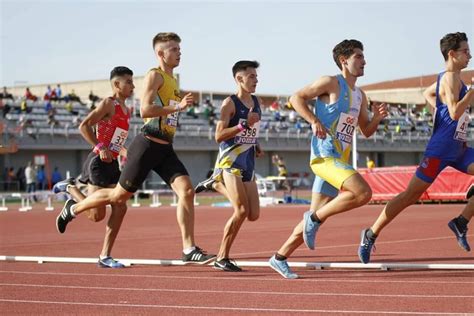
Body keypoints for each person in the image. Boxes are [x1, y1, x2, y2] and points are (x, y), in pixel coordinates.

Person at [55, 32, 215, 265]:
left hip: (165, 148)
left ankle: (189, 248)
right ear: (160, 53)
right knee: (119, 198)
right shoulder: (154, 75)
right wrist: (178, 107)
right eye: (174, 49)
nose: (179, 52)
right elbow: (146, 110)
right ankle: (74, 208)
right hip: (148, 144)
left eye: (179, 49)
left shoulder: (173, 81)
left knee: (187, 191)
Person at [268, 39, 388, 279]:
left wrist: (377, 118)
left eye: (363, 56)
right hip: (324, 157)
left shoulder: (360, 96)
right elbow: (295, 98)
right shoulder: (331, 83)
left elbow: (365, 130)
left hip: (339, 162)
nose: (364, 61)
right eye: (359, 56)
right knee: (363, 193)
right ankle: (313, 219)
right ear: (344, 61)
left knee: (313, 221)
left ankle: (279, 257)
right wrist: (314, 121)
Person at [358, 32, 474, 263]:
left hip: (459, 148)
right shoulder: (450, 77)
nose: (470, 56)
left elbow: (428, 93)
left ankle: (460, 222)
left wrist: (437, 109)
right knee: (409, 196)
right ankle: (370, 234)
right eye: (466, 51)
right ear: (452, 54)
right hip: (440, 150)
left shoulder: (453, 79)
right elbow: (454, 112)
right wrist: (471, 92)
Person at [53, 66, 134, 268]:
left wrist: (125, 152)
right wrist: (100, 147)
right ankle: (70, 189)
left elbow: (115, 140)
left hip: (112, 164)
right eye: (129, 82)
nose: (133, 86)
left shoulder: (126, 109)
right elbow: (84, 126)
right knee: (97, 216)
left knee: (120, 206)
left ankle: (105, 255)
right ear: (117, 84)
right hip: (97, 162)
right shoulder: (109, 103)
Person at [195, 61, 262, 272]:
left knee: (253, 214)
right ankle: (222, 257)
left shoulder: (257, 102)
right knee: (240, 211)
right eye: (251, 76)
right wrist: (243, 124)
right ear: (239, 79)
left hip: (248, 161)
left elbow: (252, 130)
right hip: (230, 161)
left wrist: (256, 143)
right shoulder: (229, 104)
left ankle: (215, 184)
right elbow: (218, 136)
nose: (256, 80)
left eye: (256, 76)